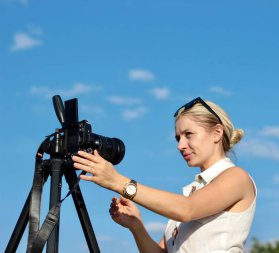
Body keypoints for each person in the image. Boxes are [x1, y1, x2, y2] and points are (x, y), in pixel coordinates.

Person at [72, 97, 257, 253]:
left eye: (188, 134)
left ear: (217, 132)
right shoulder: (194, 191)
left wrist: (117, 181)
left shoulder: (236, 177)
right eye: (178, 138)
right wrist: (136, 226)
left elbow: (187, 210)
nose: (180, 145)